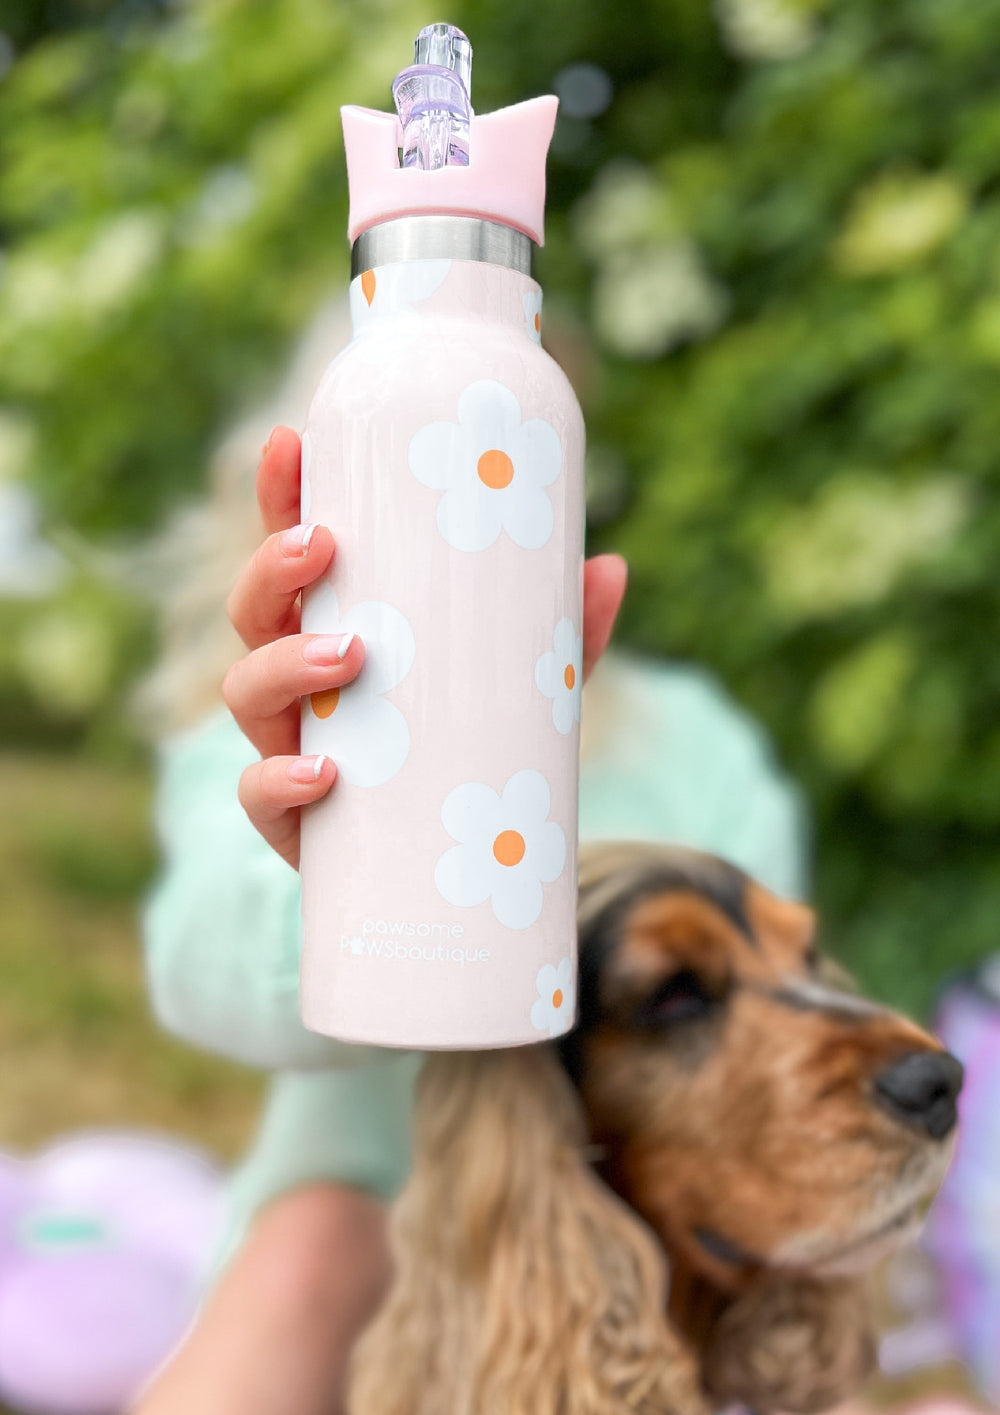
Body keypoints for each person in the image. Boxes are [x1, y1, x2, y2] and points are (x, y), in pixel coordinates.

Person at [133, 305, 806, 1415]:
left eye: (504, 453)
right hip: (357, 1228)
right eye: (403, 468)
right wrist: (354, 876)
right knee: (312, 1240)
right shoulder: (262, 725)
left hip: (624, 1215)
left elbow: (766, 1027)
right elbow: (199, 962)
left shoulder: (688, 747)